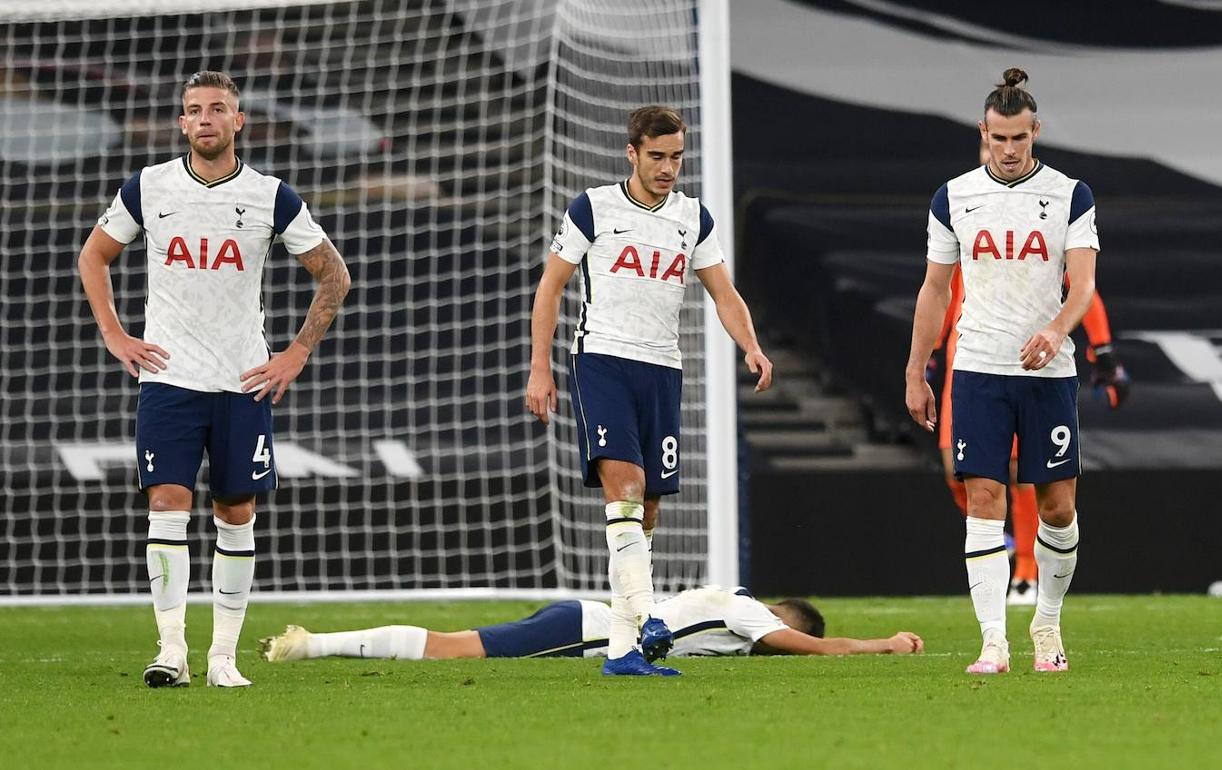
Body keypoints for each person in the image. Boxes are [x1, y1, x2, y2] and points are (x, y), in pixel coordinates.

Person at [77, 71, 350, 688]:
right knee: (167, 502)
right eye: (194, 110)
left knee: (235, 510)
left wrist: (297, 352)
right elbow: (93, 255)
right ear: (182, 123)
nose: (205, 118)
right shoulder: (149, 188)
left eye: (217, 109)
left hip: (242, 380)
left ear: (238, 121)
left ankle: (222, 658)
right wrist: (115, 336)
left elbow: (334, 275)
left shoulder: (270, 196)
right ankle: (170, 650)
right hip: (170, 379)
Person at [525, 106, 774, 676]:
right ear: (631, 153)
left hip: (662, 369)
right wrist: (541, 369)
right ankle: (648, 619)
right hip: (603, 361)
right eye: (657, 156)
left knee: (649, 508)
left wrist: (752, 346)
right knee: (627, 488)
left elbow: (724, 294)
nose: (668, 168)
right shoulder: (593, 208)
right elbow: (550, 288)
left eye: (676, 157)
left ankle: (620, 653)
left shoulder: (693, 218)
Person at [905, 68, 1097, 674]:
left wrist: (1056, 330)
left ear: (1035, 132)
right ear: (983, 133)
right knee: (982, 496)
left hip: (1049, 372)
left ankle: (1046, 622)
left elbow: (1084, 285)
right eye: (999, 139)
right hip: (980, 368)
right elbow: (935, 289)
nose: (1009, 150)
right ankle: (993, 641)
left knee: (1057, 506)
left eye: (1019, 138)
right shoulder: (953, 196)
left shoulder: (1070, 194)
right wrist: (917, 369)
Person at [932, 215, 1129, 605]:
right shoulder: (965, 214)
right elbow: (944, 290)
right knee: (955, 470)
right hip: (969, 362)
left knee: (1021, 471)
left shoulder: (1046, 216)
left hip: (1028, 361)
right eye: (991, 147)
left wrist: (1101, 348)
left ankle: (1025, 571)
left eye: (1011, 146)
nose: (1002, 151)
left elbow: (1081, 286)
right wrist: (933, 349)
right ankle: (1007, 541)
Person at [258, 586, 923, 662]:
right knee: (455, 650)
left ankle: (317, 643)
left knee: (460, 647)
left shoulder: (725, 601)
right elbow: (817, 646)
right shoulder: (750, 613)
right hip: (591, 631)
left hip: (584, 617)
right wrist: (886, 644)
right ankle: (313, 644)